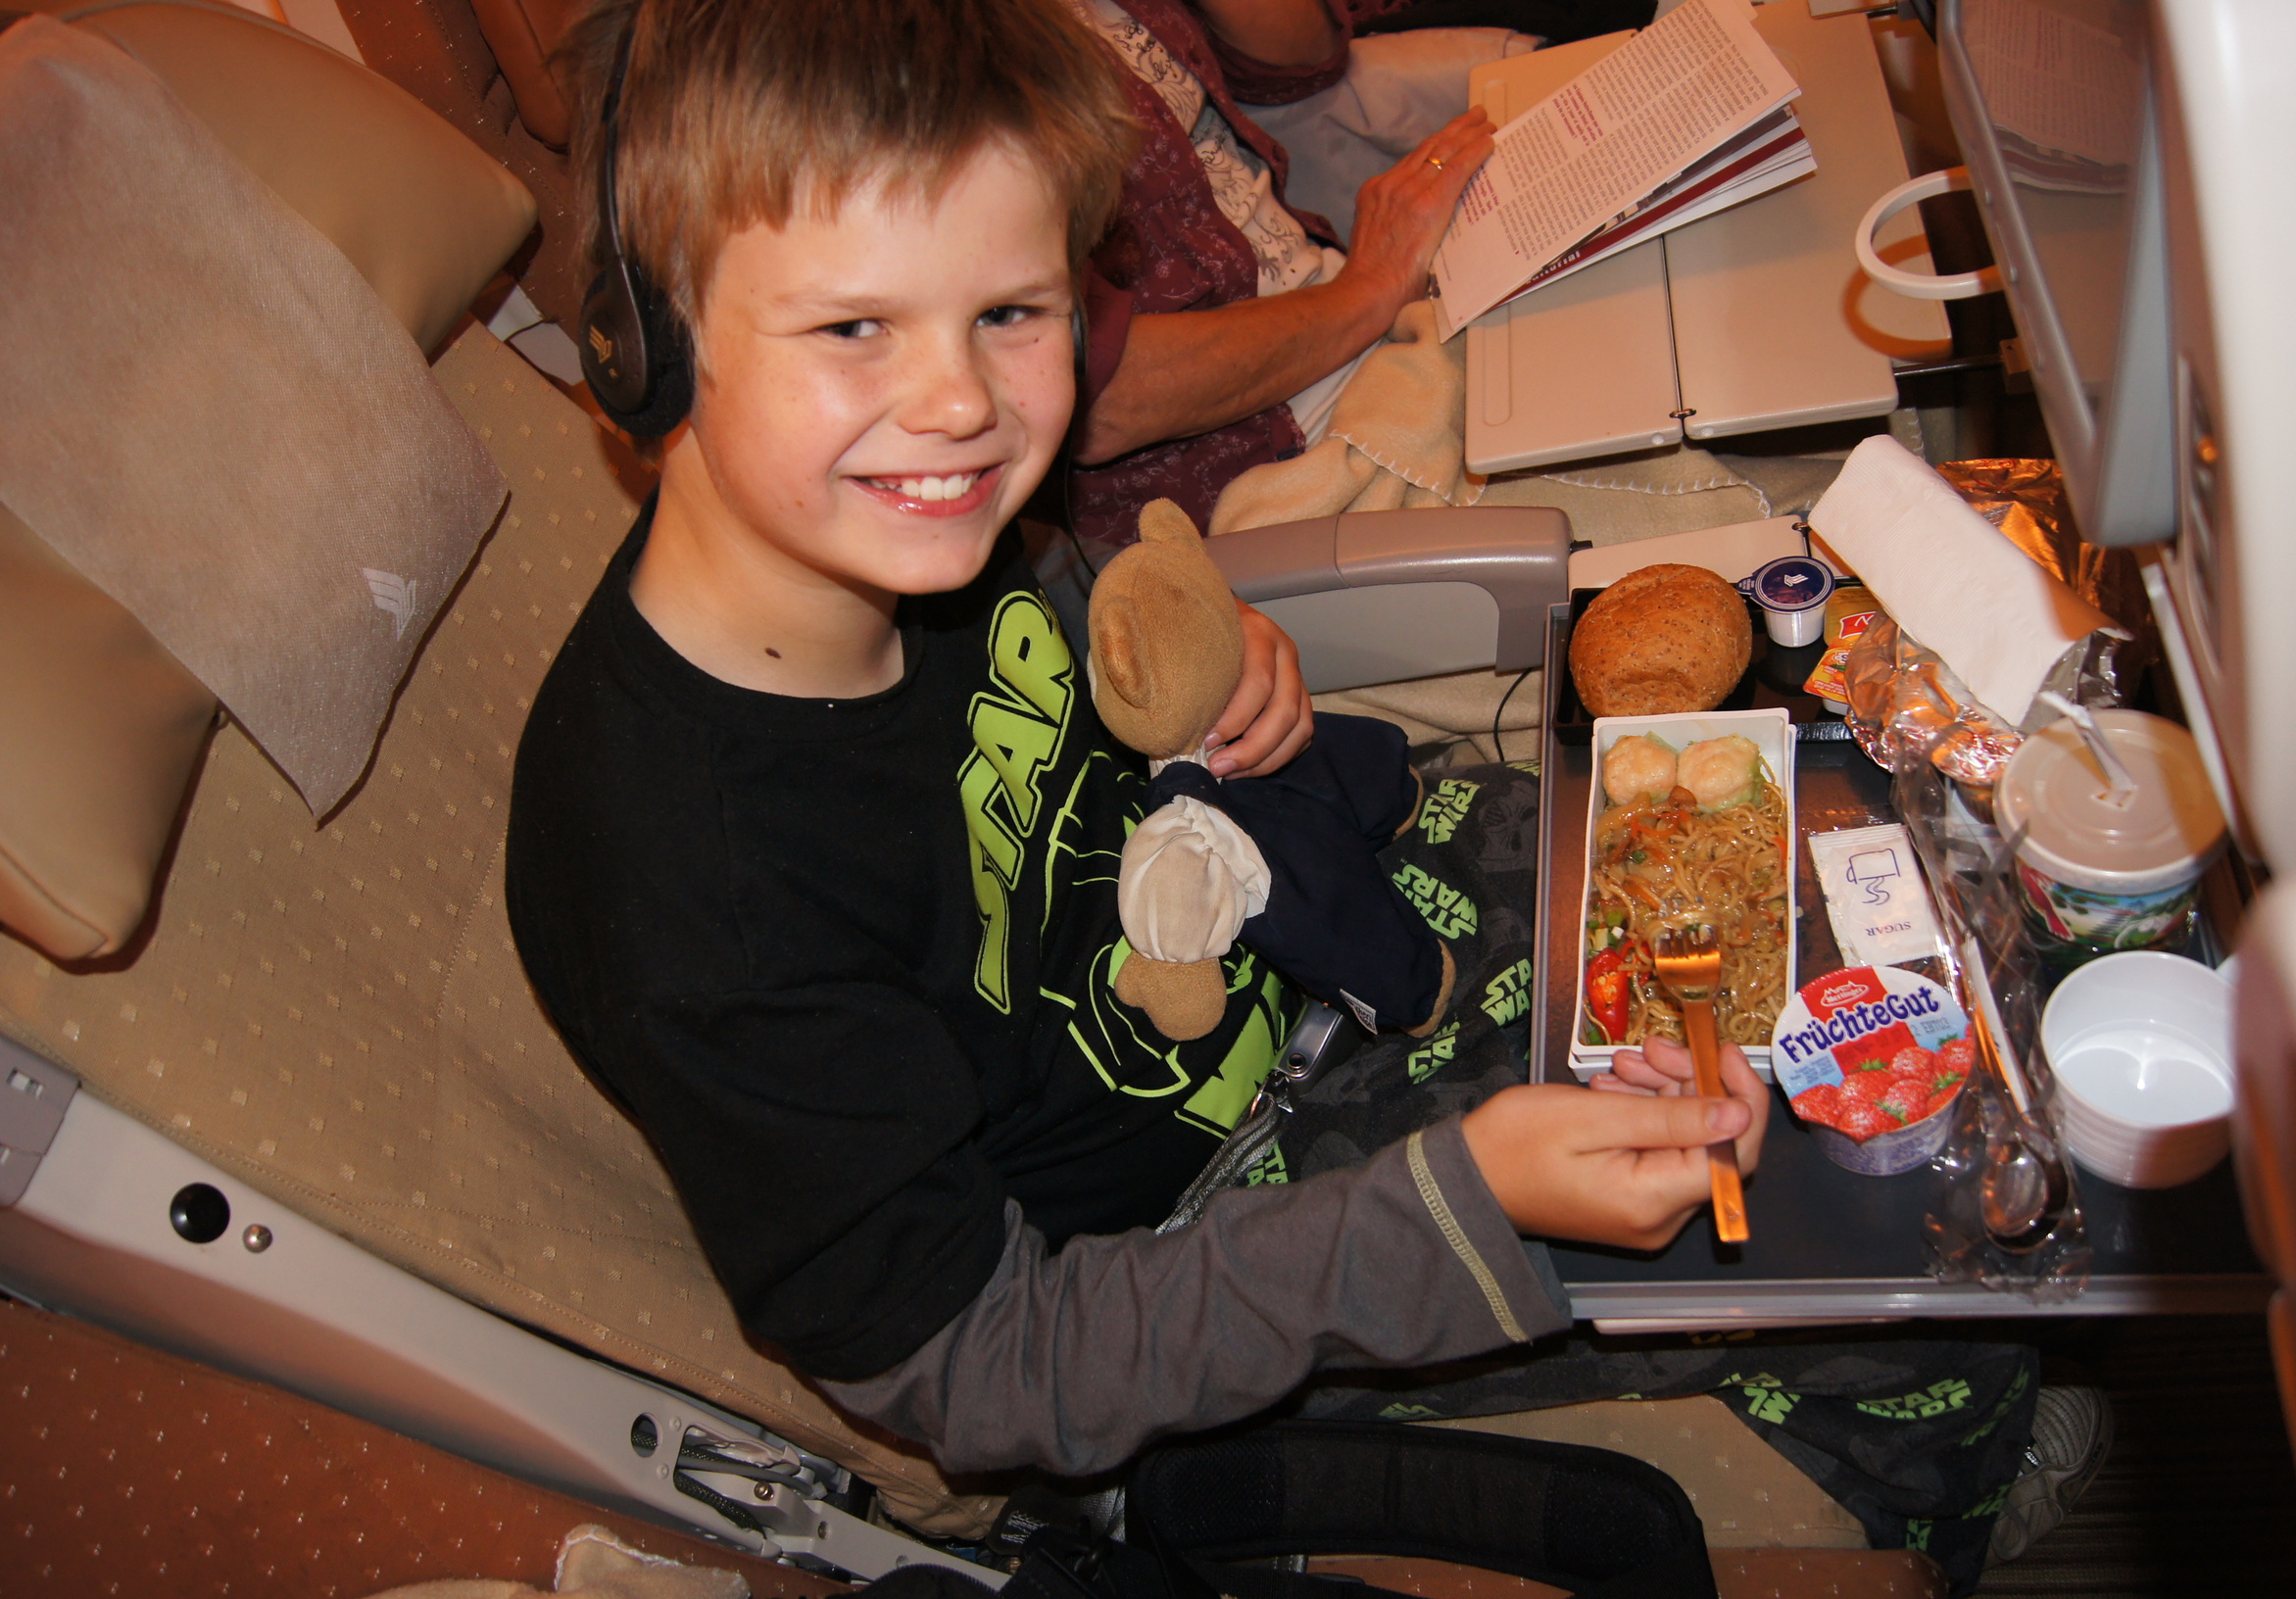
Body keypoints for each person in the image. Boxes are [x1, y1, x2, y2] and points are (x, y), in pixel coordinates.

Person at [506, 0, 2074, 1589]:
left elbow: (1093, 639)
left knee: (1849, 912)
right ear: (652, 333)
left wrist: (1215, 651)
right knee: (1855, 1234)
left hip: (1312, 906)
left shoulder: (908, 522)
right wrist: (1466, 1209)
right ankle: (1954, 1495)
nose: (963, 403)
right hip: (1200, 1229)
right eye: (855, 328)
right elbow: (986, 1370)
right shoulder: (686, 885)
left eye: (1012, 310)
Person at [1067, 0, 1496, 544]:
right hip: (1265, 464)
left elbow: (1308, 55)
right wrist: (1369, 288)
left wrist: (1369, 287)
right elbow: (1097, 399)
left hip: (1353, 318)